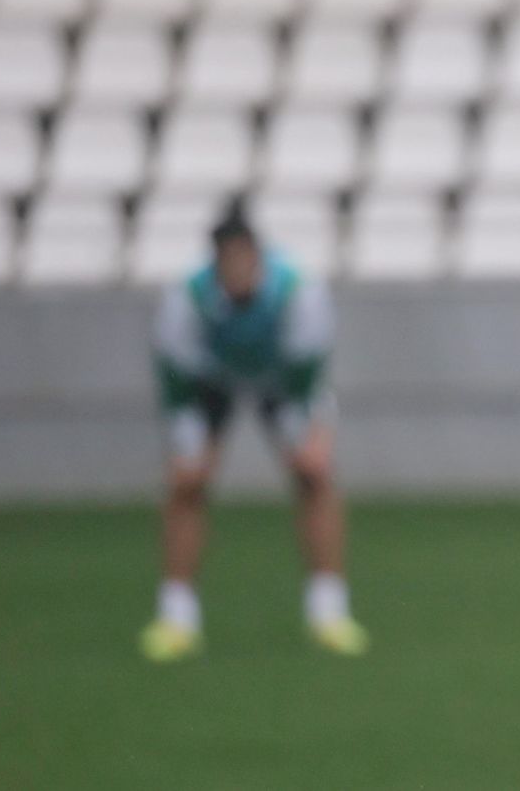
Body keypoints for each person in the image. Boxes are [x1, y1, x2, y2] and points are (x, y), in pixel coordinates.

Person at [139, 203, 368, 662]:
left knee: (315, 476)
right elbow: (175, 379)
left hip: (280, 381)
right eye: (229, 262)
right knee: (188, 484)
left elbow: (308, 373)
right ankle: (176, 617)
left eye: (245, 260)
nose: (238, 271)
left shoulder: (299, 293)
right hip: (210, 382)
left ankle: (329, 612)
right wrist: (186, 445)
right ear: (216, 262)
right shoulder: (185, 298)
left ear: (259, 258)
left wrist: (314, 434)